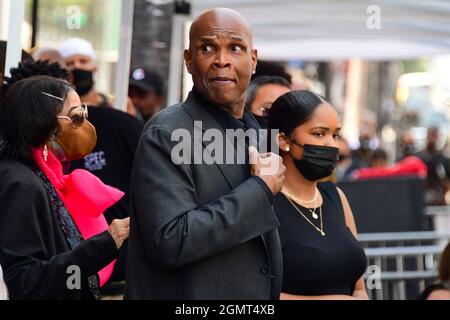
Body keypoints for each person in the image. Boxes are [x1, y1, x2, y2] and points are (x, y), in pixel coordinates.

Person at [124, 8, 285, 300]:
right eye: (208, 48)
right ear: (188, 60)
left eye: (235, 48)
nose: (221, 60)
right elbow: (169, 240)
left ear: (253, 60)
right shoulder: (167, 132)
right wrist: (259, 190)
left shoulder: (258, 135)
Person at [0, 76, 130, 299]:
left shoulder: (39, 176)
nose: (83, 125)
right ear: (43, 120)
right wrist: (107, 242)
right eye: (76, 116)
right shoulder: (21, 184)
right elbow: (25, 280)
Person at [268, 90, 368, 300]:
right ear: (284, 140)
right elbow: (254, 293)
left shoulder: (336, 197)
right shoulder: (264, 202)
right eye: (319, 134)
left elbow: (359, 286)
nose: (331, 144)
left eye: (336, 135)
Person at [58, 37, 111, 108]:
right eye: (69, 63)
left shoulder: (111, 106)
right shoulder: (56, 109)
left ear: (94, 67)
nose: (77, 66)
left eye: (83, 61)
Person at [416, 127, 450, 205]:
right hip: (422, 198)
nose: (432, 139)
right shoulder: (419, 158)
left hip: (439, 200)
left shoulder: (444, 159)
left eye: (434, 136)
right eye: (430, 135)